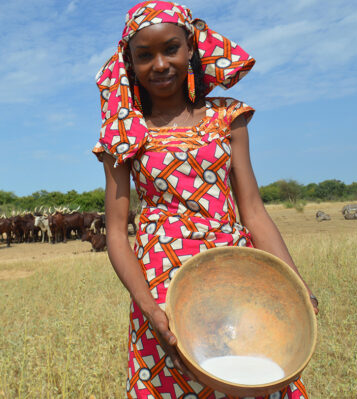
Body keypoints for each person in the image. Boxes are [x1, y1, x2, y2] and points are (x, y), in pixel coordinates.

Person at [92, 2, 319, 398]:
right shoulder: (124, 134)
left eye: (171, 49)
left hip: (238, 278)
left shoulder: (227, 118)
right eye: (144, 55)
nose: (160, 64)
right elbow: (115, 234)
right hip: (163, 289)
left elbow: (253, 211)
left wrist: (294, 282)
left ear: (191, 49)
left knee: (254, 376)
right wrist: (150, 310)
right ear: (129, 63)